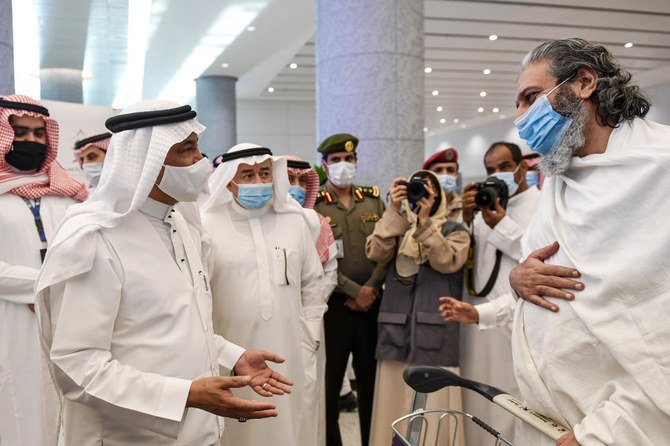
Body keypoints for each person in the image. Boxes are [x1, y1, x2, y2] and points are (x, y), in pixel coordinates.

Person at [34, 100, 292, 445]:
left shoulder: (182, 222)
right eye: (187, 150)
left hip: (198, 431)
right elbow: (77, 366)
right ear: (148, 161)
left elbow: (181, 324)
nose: (200, 161)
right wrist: (185, 395)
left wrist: (234, 357)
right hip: (126, 437)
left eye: (198, 147)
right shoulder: (94, 239)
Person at [506, 38, 670, 446]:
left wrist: (605, 432)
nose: (521, 118)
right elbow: (541, 271)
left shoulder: (661, 167)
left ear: (583, 82)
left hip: (628, 428)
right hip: (551, 424)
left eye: (530, 98)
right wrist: (518, 280)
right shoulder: (562, 180)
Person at [201, 144, 328, 446]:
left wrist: (309, 334)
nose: (258, 181)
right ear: (229, 181)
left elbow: (313, 282)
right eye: (247, 174)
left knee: (291, 423)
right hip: (230, 349)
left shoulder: (295, 220)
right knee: (238, 427)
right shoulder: (206, 224)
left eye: (264, 173)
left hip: (291, 348)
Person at [0, 94, 88, 446]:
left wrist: (57, 289)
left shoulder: (70, 196)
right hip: (10, 317)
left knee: (73, 405)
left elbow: (89, 252)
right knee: (18, 403)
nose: (31, 142)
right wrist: (42, 287)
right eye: (20, 132)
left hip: (71, 312)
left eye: (39, 134)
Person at [366, 170, 469, 446]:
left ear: (439, 195)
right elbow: (375, 253)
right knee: (392, 401)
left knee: (434, 409)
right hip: (395, 332)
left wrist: (424, 224)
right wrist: (394, 209)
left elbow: (447, 261)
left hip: (435, 333)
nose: (420, 195)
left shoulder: (455, 230)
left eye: (427, 189)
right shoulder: (397, 227)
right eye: (416, 188)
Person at [455, 141, 540, 445]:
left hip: (515, 317)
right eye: (491, 169)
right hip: (476, 317)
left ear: (522, 168)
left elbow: (533, 255)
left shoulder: (539, 204)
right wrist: (465, 218)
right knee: (476, 395)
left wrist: (501, 223)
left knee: (510, 398)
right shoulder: (482, 206)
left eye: (504, 167)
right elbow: (471, 258)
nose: (497, 174)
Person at [313, 133, 387, 446]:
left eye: (349, 159)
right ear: (325, 165)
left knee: (371, 385)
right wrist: (354, 290)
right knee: (330, 386)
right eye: (336, 160)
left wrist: (370, 288)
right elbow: (316, 259)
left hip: (372, 307)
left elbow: (388, 246)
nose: (344, 165)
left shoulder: (373, 200)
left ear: (356, 161)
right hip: (334, 309)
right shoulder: (315, 205)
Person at [285, 155, 338, 445]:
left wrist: (310, 311)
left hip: (312, 323)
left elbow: (328, 272)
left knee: (310, 393)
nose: (296, 187)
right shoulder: (270, 221)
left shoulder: (319, 222)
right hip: (275, 325)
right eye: (289, 180)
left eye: (302, 181)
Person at [422, 147, 463, 213]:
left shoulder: (466, 207)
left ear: (457, 175)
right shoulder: (418, 207)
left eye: (450, 170)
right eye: (438, 170)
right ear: (428, 176)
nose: (445, 174)